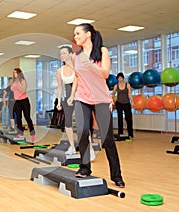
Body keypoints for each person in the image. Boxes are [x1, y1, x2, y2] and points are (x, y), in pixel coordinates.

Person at [68, 23, 125, 187]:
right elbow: (77, 78)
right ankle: (85, 168)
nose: (76, 36)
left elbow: (105, 72)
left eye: (78, 33)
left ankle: (117, 175)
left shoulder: (102, 51)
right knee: (83, 130)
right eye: (75, 34)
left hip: (100, 99)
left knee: (107, 140)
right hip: (82, 98)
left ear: (89, 34)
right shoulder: (76, 56)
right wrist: (72, 95)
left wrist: (90, 64)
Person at [56, 46, 77, 155]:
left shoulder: (76, 68)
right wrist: (59, 102)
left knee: (83, 124)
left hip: (79, 98)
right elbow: (60, 88)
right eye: (61, 54)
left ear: (70, 54)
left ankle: (89, 147)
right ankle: (72, 147)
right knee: (68, 123)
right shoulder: (60, 71)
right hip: (67, 99)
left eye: (64, 53)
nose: (62, 55)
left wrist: (73, 96)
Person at [10, 68, 35, 142]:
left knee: (27, 117)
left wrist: (18, 84)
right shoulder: (14, 81)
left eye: (16, 72)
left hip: (24, 101)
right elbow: (12, 89)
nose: (14, 74)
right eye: (13, 72)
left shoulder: (23, 81)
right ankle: (20, 133)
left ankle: (32, 132)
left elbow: (23, 91)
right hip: (17, 101)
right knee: (18, 118)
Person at [112, 72, 134, 138]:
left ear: (123, 78)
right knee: (120, 118)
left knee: (128, 118)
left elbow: (130, 94)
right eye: (118, 78)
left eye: (120, 78)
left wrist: (132, 101)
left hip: (126, 103)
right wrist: (113, 99)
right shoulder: (116, 86)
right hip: (119, 103)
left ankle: (130, 133)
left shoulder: (127, 85)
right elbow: (113, 93)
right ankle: (120, 133)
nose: (119, 79)